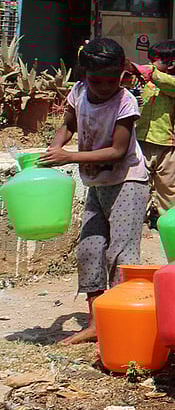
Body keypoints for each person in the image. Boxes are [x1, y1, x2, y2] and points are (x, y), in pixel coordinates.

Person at [41, 38, 150, 345]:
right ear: (84, 75)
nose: (103, 87)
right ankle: (96, 323)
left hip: (128, 181)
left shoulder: (126, 102)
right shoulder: (78, 92)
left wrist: (70, 157)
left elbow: (117, 151)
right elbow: (69, 124)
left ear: (122, 75)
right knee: (89, 249)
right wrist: (57, 144)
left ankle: (120, 322)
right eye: (95, 81)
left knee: (121, 254)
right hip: (97, 184)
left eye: (111, 80)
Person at [128, 40, 175, 227]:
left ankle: (168, 221)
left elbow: (167, 83)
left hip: (165, 145)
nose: (151, 63)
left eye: (156, 60)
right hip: (140, 142)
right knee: (137, 184)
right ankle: (136, 220)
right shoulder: (148, 82)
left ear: (171, 64)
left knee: (167, 188)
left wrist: (146, 71)